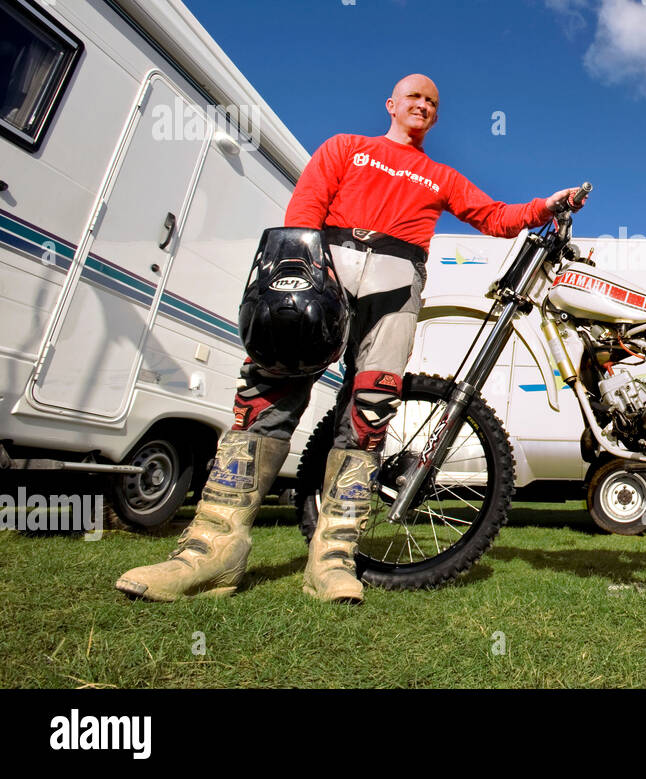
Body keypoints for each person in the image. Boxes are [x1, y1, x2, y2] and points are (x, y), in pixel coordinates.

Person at [116, 74, 583, 603]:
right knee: (267, 394)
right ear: (391, 104)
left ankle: (332, 557)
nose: (423, 106)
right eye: (414, 97)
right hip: (325, 271)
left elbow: (495, 217)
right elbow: (306, 207)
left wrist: (545, 206)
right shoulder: (347, 148)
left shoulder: (440, 176)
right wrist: (299, 273)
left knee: (370, 409)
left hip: (398, 284)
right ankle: (212, 551)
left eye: (432, 102)